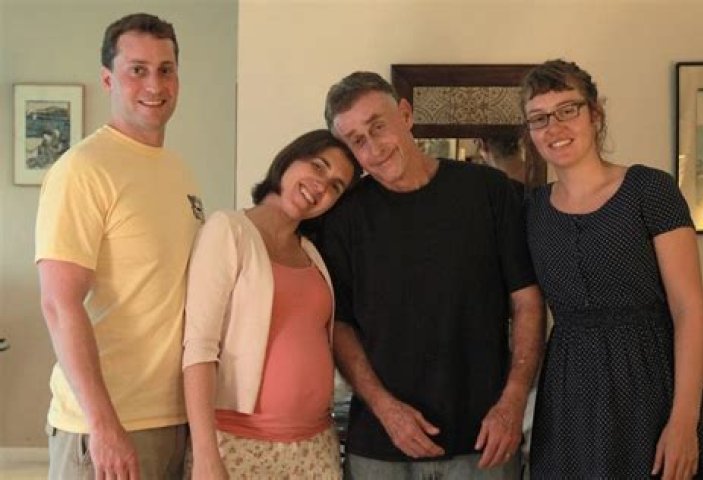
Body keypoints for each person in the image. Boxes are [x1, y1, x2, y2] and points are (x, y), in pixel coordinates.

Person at [318, 71, 545, 479]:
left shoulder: (489, 191)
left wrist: (513, 402)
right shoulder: (342, 218)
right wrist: (386, 409)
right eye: (356, 141)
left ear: (406, 115)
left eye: (378, 126)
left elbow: (527, 301)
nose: (374, 148)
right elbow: (340, 325)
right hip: (381, 447)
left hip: (485, 439)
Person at [521, 59, 703, 479]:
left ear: (595, 114)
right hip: (570, 396)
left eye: (567, 109)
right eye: (539, 118)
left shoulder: (649, 189)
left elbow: (689, 311)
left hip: (652, 384)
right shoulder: (532, 210)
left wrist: (683, 422)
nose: (554, 127)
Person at [35, 13, 203, 479]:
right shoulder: (83, 169)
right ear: (108, 79)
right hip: (108, 427)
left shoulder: (179, 171)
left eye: (166, 69)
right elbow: (58, 303)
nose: (155, 84)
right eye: (137, 70)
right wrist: (103, 425)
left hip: (171, 418)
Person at [182, 129, 362, 479]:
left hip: (314, 446)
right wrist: (206, 453)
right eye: (318, 166)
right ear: (289, 160)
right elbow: (199, 347)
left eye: (336, 186)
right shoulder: (228, 230)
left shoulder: (311, 251)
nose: (322, 186)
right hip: (238, 443)